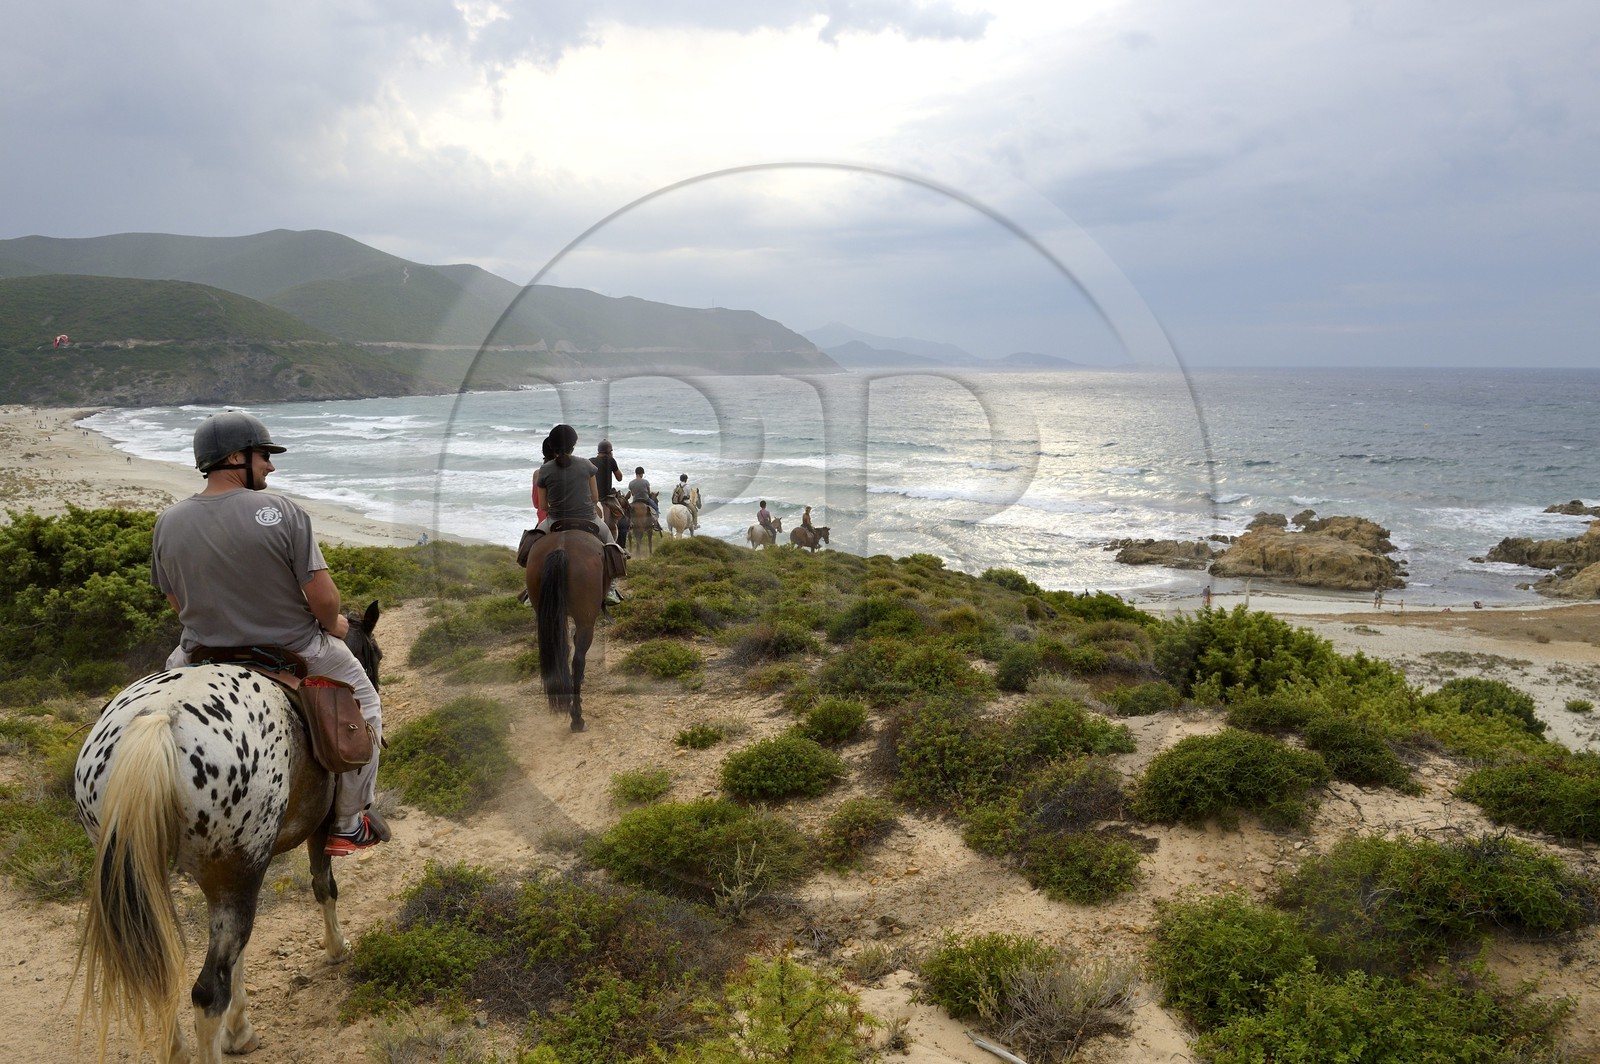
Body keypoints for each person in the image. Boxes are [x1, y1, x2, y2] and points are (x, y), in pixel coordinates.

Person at [150, 411, 385, 856]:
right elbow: (324, 600)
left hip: (199, 653)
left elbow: (177, 604)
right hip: (291, 648)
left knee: (155, 702)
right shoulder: (282, 511)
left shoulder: (168, 521)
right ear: (237, 457)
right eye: (264, 457)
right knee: (367, 704)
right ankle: (350, 822)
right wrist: (333, 626)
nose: (271, 467)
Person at [533, 424, 627, 603]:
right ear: (574, 445)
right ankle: (611, 590)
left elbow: (543, 505)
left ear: (552, 446)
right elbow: (595, 497)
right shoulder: (586, 464)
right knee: (612, 544)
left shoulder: (544, 470)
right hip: (588, 519)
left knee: (531, 542)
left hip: (555, 520)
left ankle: (530, 592)